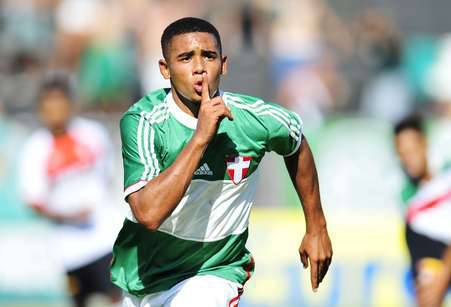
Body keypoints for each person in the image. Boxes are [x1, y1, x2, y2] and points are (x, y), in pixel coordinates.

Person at [111, 17, 333, 307]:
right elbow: (149, 213)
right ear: (165, 69)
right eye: (186, 58)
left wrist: (316, 227)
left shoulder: (255, 120)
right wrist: (200, 138)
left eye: (209, 56)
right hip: (144, 276)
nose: (199, 68)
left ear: (224, 64)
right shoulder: (144, 122)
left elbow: (296, 143)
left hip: (214, 272)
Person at [18, 74, 121, 307]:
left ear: (70, 104)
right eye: (49, 105)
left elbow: (106, 177)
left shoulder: (92, 134)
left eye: (60, 103)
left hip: (105, 238)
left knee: (116, 299)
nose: (55, 111)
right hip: (69, 249)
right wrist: (67, 215)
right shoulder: (36, 148)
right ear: (41, 108)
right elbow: (34, 199)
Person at [394, 115, 451, 307]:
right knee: (428, 292)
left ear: (424, 144)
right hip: (442, 248)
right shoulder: (410, 201)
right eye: (403, 154)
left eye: (412, 151)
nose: (408, 159)